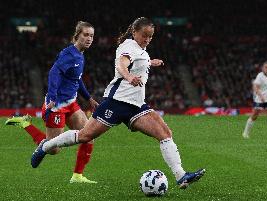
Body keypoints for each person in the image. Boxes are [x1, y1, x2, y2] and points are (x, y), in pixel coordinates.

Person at [31, 17, 205, 189]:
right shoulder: (128, 46)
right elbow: (123, 64)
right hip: (116, 102)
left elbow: (138, 62)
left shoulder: (142, 51)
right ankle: (46, 146)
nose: (147, 39)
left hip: (136, 105)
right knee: (85, 136)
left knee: (165, 133)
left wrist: (150, 62)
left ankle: (181, 176)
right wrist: (128, 76)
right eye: (144, 35)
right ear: (135, 32)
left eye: (150, 36)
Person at [7, 21, 98, 184]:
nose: (89, 38)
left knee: (88, 135)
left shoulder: (80, 55)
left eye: (91, 35)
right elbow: (54, 72)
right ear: (77, 35)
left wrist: (89, 98)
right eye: (85, 35)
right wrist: (53, 97)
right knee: (54, 149)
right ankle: (25, 124)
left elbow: (77, 79)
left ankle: (77, 176)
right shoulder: (69, 54)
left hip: (71, 103)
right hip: (56, 106)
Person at [243, 61, 267, 138]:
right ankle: (245, 133)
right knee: (254, 116)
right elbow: (255, 87)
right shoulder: (260, 76)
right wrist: (261, 96)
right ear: (263, 68)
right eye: (266, 67)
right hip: (259, 100)